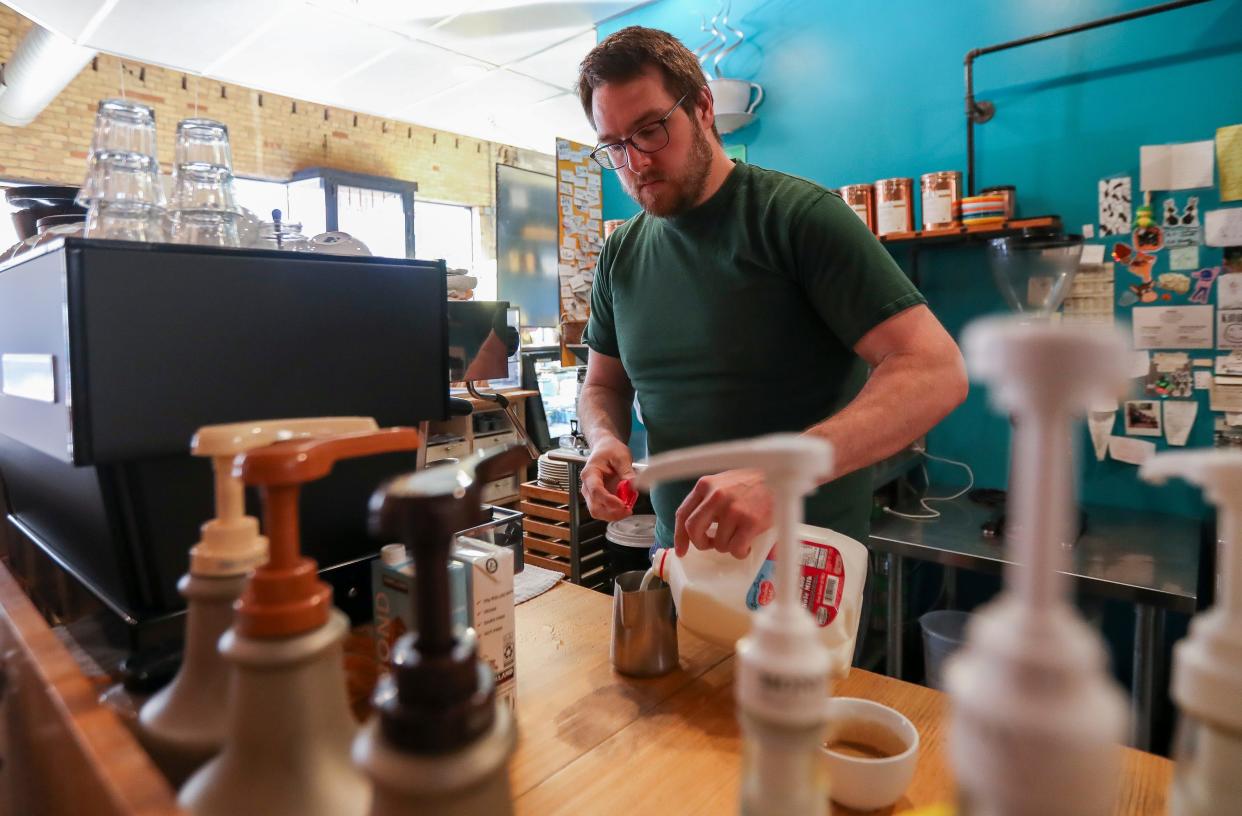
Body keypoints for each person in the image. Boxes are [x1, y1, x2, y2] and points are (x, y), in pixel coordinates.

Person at [575, 26, 968, 559]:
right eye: (615, 146)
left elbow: (935, 370)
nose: (636, 162)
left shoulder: (799, 219)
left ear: (704, 107)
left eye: (650, 130)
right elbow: (603, 387)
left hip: (803, 574)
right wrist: (604, 441)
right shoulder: (620, 254)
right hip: (681, 563)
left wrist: (780, 475)